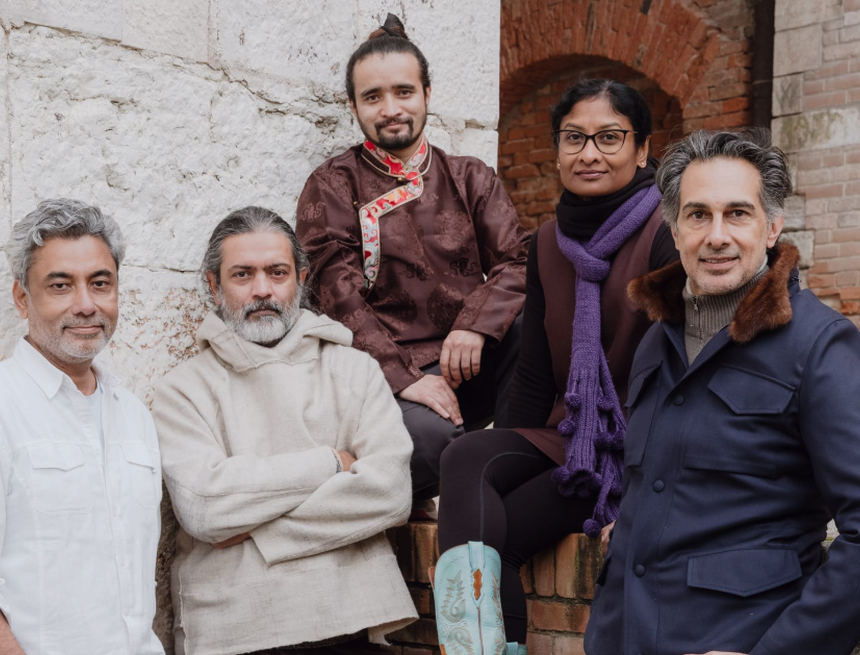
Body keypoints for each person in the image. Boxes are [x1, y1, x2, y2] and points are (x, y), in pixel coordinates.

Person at [584, 129, 860, 655]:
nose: (716, 235)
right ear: (674, 227)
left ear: (773, 226)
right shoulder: (654, 342)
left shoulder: (821, 346)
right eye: (697, 215)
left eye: (737, 213)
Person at [433, 79, 679, 653]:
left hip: (634, 445)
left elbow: (682, 375)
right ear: (557, 148)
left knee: (504, 537)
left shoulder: (667, 233)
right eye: (574, 138)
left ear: (642, 150)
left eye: (609, 138)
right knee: (468, 456)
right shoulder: (548, 242)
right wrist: (510, 452)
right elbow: (537, 372)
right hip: (569, 435)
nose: (588, 153)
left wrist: (647, 490)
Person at [153, 207, 417, 655]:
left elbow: (391, 491)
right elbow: (205, 510)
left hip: (351, 621)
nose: (262, 290)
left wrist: (255, 528)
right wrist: (330, 463)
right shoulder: (183, 390)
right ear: (215, 286)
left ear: (301, 277)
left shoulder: (354, 370)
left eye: (277, 273)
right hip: (234, 631)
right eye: (242, 275)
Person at [296, 14, 530, 510]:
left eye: (403, 91)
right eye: (372, 97)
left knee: (534, 324)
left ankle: (510, 470)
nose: (391, 109)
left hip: (465, 360)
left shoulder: (470, 177)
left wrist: (475, 327)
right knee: (430, 444)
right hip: (384, 378)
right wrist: (407, 379)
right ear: (354, 106)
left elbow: (518, 260)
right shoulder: (332, 184)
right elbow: (335, 296)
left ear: (426, 93)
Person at [0, 199, 164, 655]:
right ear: (21, 299)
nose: (86, 305)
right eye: (60, 285)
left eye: (100, 283)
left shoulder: (134, 416)